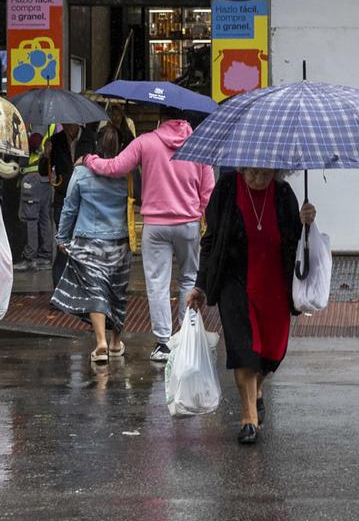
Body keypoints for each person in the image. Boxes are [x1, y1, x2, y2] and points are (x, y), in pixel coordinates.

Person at [188, 167, 315, 446]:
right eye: (253, 173)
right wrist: (201, 285)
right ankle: (248, 418)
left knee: (271, 351)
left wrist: (306, 222)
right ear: (242, 166)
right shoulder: (226, 188)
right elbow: (210, 240)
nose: (258, 178)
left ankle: (257, 388)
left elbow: (297, 241)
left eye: (265, 173)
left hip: (275, 286)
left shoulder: (283, 194)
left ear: (277, 170)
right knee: (243, 349)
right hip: (235, 283)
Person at [85, 110, 216, 362]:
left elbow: (115, 167)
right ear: (184, 120)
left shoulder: (146, 141)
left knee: (158, 282)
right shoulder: (200, 144)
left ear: (160, 120)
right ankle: (187, 337)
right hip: (188, 222)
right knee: (189, 278)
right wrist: (199, 214)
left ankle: (164, 344)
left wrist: (90, 160)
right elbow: (208, 189)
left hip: (155, 224)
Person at [52, 126, 132, 362]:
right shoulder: (126, 173)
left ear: (96, 146)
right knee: (116, 291)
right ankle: (116, 342)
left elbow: (69, 207)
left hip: (88, 240)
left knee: (95, 289)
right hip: (119, 241)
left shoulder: (82, 172)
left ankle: (100, 342)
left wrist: (62, 237)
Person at [20, 144, 56, 270]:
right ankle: (45, 255)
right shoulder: (54, 127)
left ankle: (30, 258)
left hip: (33, 176)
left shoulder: (34, 128)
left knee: (31, 219)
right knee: (44, 217)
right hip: (46, 177)